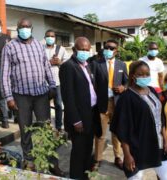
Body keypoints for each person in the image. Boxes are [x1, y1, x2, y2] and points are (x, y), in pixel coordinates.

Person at [0, 18, 57, 170]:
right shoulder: (10, 47)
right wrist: (9, 97)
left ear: (31, 29)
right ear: (17, 28)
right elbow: (4, 74)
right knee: (25, 129)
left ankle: (50, 160)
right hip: (21, 95)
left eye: (27, 26)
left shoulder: (39, 45)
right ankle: (29, 160)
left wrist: (52, 85)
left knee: (45, 128)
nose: (24, 29)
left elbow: (46, 66)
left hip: (41, 94)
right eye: (21, 26)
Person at [110, 61, 167, 180]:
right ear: (133, 76)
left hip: (158, 145)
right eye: (141, 74)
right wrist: (127, 155)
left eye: (147, 74)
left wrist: (165, 141)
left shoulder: (152, 91)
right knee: (136, 177)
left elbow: (160, 118)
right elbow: (123, 129)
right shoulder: (126, 98)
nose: (145, 77)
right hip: (138, 147)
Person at [59, 37, 102, 179]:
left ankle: (85, 175)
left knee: (87, 149)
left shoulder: (87, 65)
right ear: (74, 50)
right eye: (81, 49)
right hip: (79, 117)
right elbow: (68, 97)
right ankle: (76, 176)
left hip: (90, 114)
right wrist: (76, 120)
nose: (85, 52)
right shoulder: (68, 67)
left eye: (87, 49)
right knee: (78, 151)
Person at [91, 39, 128, 170]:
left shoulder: (121, 65)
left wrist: (124, 87)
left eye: (112, 48)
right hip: (102, 103)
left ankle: (118, 157)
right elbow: (92, 83)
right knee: (100, 133)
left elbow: (127, 82)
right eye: (107, 47)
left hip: (117, 103)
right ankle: (97, 159)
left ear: (116, 51)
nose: (109, 50)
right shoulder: (96, 64)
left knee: (117, 133)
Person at [44, 29, 69, 131]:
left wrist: (59, 62)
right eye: (48, 36)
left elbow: (67, 64)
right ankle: (47, 126)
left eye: (52, 36)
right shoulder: (40, 49)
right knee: (45, 105)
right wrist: (48, 62)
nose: (50, 38)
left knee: (58, 104)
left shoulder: (61, 49)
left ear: (55, 38)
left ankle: (58, 126)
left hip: (58, 81)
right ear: (45, 37)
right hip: (44, 82)